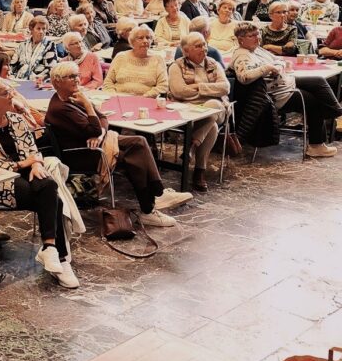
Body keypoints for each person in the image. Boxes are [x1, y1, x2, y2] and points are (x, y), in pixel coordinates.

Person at [0, 77, 81, 288]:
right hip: (2, 183)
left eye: (11, 90)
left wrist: (36, 163)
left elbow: (33, 150)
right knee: (53, 200)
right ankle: (60, 258)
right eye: (6, 93)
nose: (12, 95)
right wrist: (22, 164)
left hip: (29, 173)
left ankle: (50, 249)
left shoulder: (17, 120)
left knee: (48, 186)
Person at [46, 62, 191, 224]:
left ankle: (156, 198)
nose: (77, 80)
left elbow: (103, 118)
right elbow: (94, 128)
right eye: (71, 77)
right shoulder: (61, 108)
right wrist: (87, 106)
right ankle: (150, 207)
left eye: (77, 75)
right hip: (82, 154)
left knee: (139, 143)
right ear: (57, 81)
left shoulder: (72, 97)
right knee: (134, 156)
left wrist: (100, 134)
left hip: (96, 144)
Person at [232, 22, 342, 157]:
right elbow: (244, 77)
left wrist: (277, 66)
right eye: (251, 36)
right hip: (278, 94)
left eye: (257, 34)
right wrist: (268, 68)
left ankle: (335, 112)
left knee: (318, 81)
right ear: (241, 40)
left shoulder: (257, 49)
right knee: (314, 102)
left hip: (287, 83)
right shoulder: (242, 55)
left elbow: (279, 60)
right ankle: (317, 145)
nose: (257, 38)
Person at [168, 33, 230, 191]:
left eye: (204, 44)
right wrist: (209, 90)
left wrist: (197, 87)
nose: (203, 48)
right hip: (188, 110)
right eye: (198, 46)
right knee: (212, 126)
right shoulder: (176, 66)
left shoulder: (214, 64)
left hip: (217, 109)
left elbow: (225, 88)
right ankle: (199, 170)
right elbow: (179, 91)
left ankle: (192, 145)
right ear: (186, 51)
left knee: (213, 105)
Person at [103, 26, 168, 97]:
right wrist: (113, 96)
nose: (145, 41)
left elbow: (163, 85)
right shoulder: (120, 57)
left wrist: (146, 96)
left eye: (148, 38)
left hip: (146, 99)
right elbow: (108, 82)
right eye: (140, 38)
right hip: (118, 98)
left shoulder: (158, 59)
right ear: (132, 41)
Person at [11, 16, 59, 80]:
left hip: (39, 80)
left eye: (44, 29)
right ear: (32, 29)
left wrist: (39, 77)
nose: (41, 31)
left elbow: (51, 68)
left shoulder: (50, 45)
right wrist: (11, 76)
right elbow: (13, 64)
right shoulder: (22, 45)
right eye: (38, 28)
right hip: (19, 78)